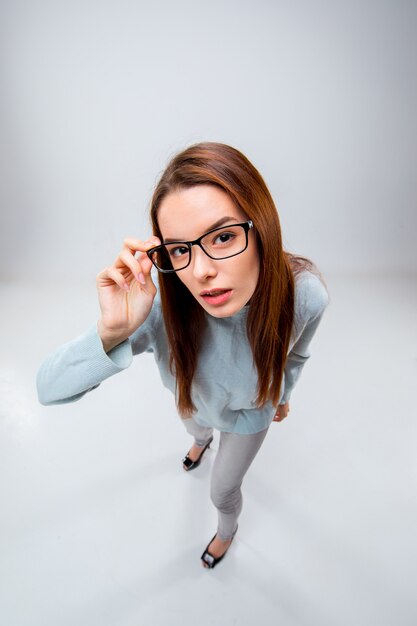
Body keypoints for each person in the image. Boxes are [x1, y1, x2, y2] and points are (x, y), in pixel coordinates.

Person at [37, 142, 329, 569]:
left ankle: (226, 533)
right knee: (196, 425)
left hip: (250, 413)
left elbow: (297, 355)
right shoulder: (162, 306)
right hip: (192, 400)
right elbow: (48, 389)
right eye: (179, 249)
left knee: (221, 491)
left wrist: (283, 393)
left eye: (224, 236)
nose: (200, 271)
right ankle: (199, 441)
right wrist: (113, 329)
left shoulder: (305, 296)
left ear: (261, 227)